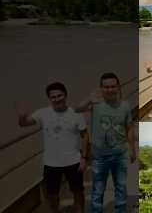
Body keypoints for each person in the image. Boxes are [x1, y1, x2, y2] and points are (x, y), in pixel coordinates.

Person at [16, 82, 88, 213]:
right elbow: (24, 124)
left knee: (78, 192)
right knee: (52, 195)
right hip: (51, 164)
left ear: (65, 95)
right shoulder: (43, 113)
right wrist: (21, 117)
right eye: (53, 97)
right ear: (49, 99)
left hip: (74, 161)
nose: (57, 99)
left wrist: (84, 157)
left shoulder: (76, 114)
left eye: (59, 95)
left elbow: (85, 136)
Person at [76, 72, 136, 213]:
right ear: (101, 88)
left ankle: (120, 210)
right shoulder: (95, 104)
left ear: (118, 87)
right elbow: (76, 109)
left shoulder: (125, 106)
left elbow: (129, 128)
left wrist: (132, 149)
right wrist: (89, 99)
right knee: (98, 189)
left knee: (121, 187)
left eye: (113, 86)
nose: (110, 89)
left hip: (120, 155)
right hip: (99, 157)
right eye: (106, 87)